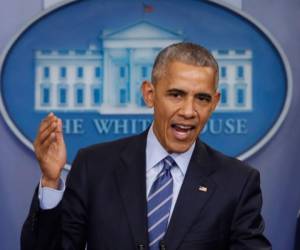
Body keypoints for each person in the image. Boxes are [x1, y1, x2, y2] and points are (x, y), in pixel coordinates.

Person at [21, 42, 272, 250]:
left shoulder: (238, 182)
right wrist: (51, 182)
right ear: (149, 94)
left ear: (215, 102)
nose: (188, 111)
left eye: (202, 98)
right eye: (176, 95)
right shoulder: (94, 166)